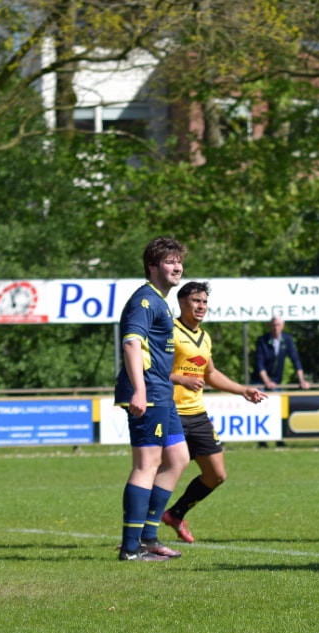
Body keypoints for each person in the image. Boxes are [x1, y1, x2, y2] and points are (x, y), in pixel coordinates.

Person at [160, 281, 268, 544]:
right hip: (170, 413)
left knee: (216, 475)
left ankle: (176, 514)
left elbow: (211, 374)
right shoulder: (168, 331)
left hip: (197, 414)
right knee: (163, 472)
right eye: (196, 301)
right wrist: (181, 380)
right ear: (182, 302)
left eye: (205, 302)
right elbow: (153, 370)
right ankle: (138, 533)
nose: (201, 306)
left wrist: (242, 390)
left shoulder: (204, 337)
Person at [115, 237, 191, 561]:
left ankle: (149, 537)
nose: (178, 267)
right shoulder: (144, 301)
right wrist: (140, 390)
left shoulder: (162, 302)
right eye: (170, 262)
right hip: (150, 393)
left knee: (178, 459)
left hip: (163, 392)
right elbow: (132, 343)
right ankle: (131, 548)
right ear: (152, 267)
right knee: (146, 465)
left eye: (179, 261)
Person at [254, 317, 311, 391]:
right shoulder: (262, 340)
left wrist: (301, 380)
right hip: (259, 381)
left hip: (276, 382)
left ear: (282, 326)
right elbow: (259, 363)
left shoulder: (287, 339)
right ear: (270, 326)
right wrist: (267, 382)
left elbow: (296, 360)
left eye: (278, 325)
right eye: (274, 325)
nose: (276, 328)